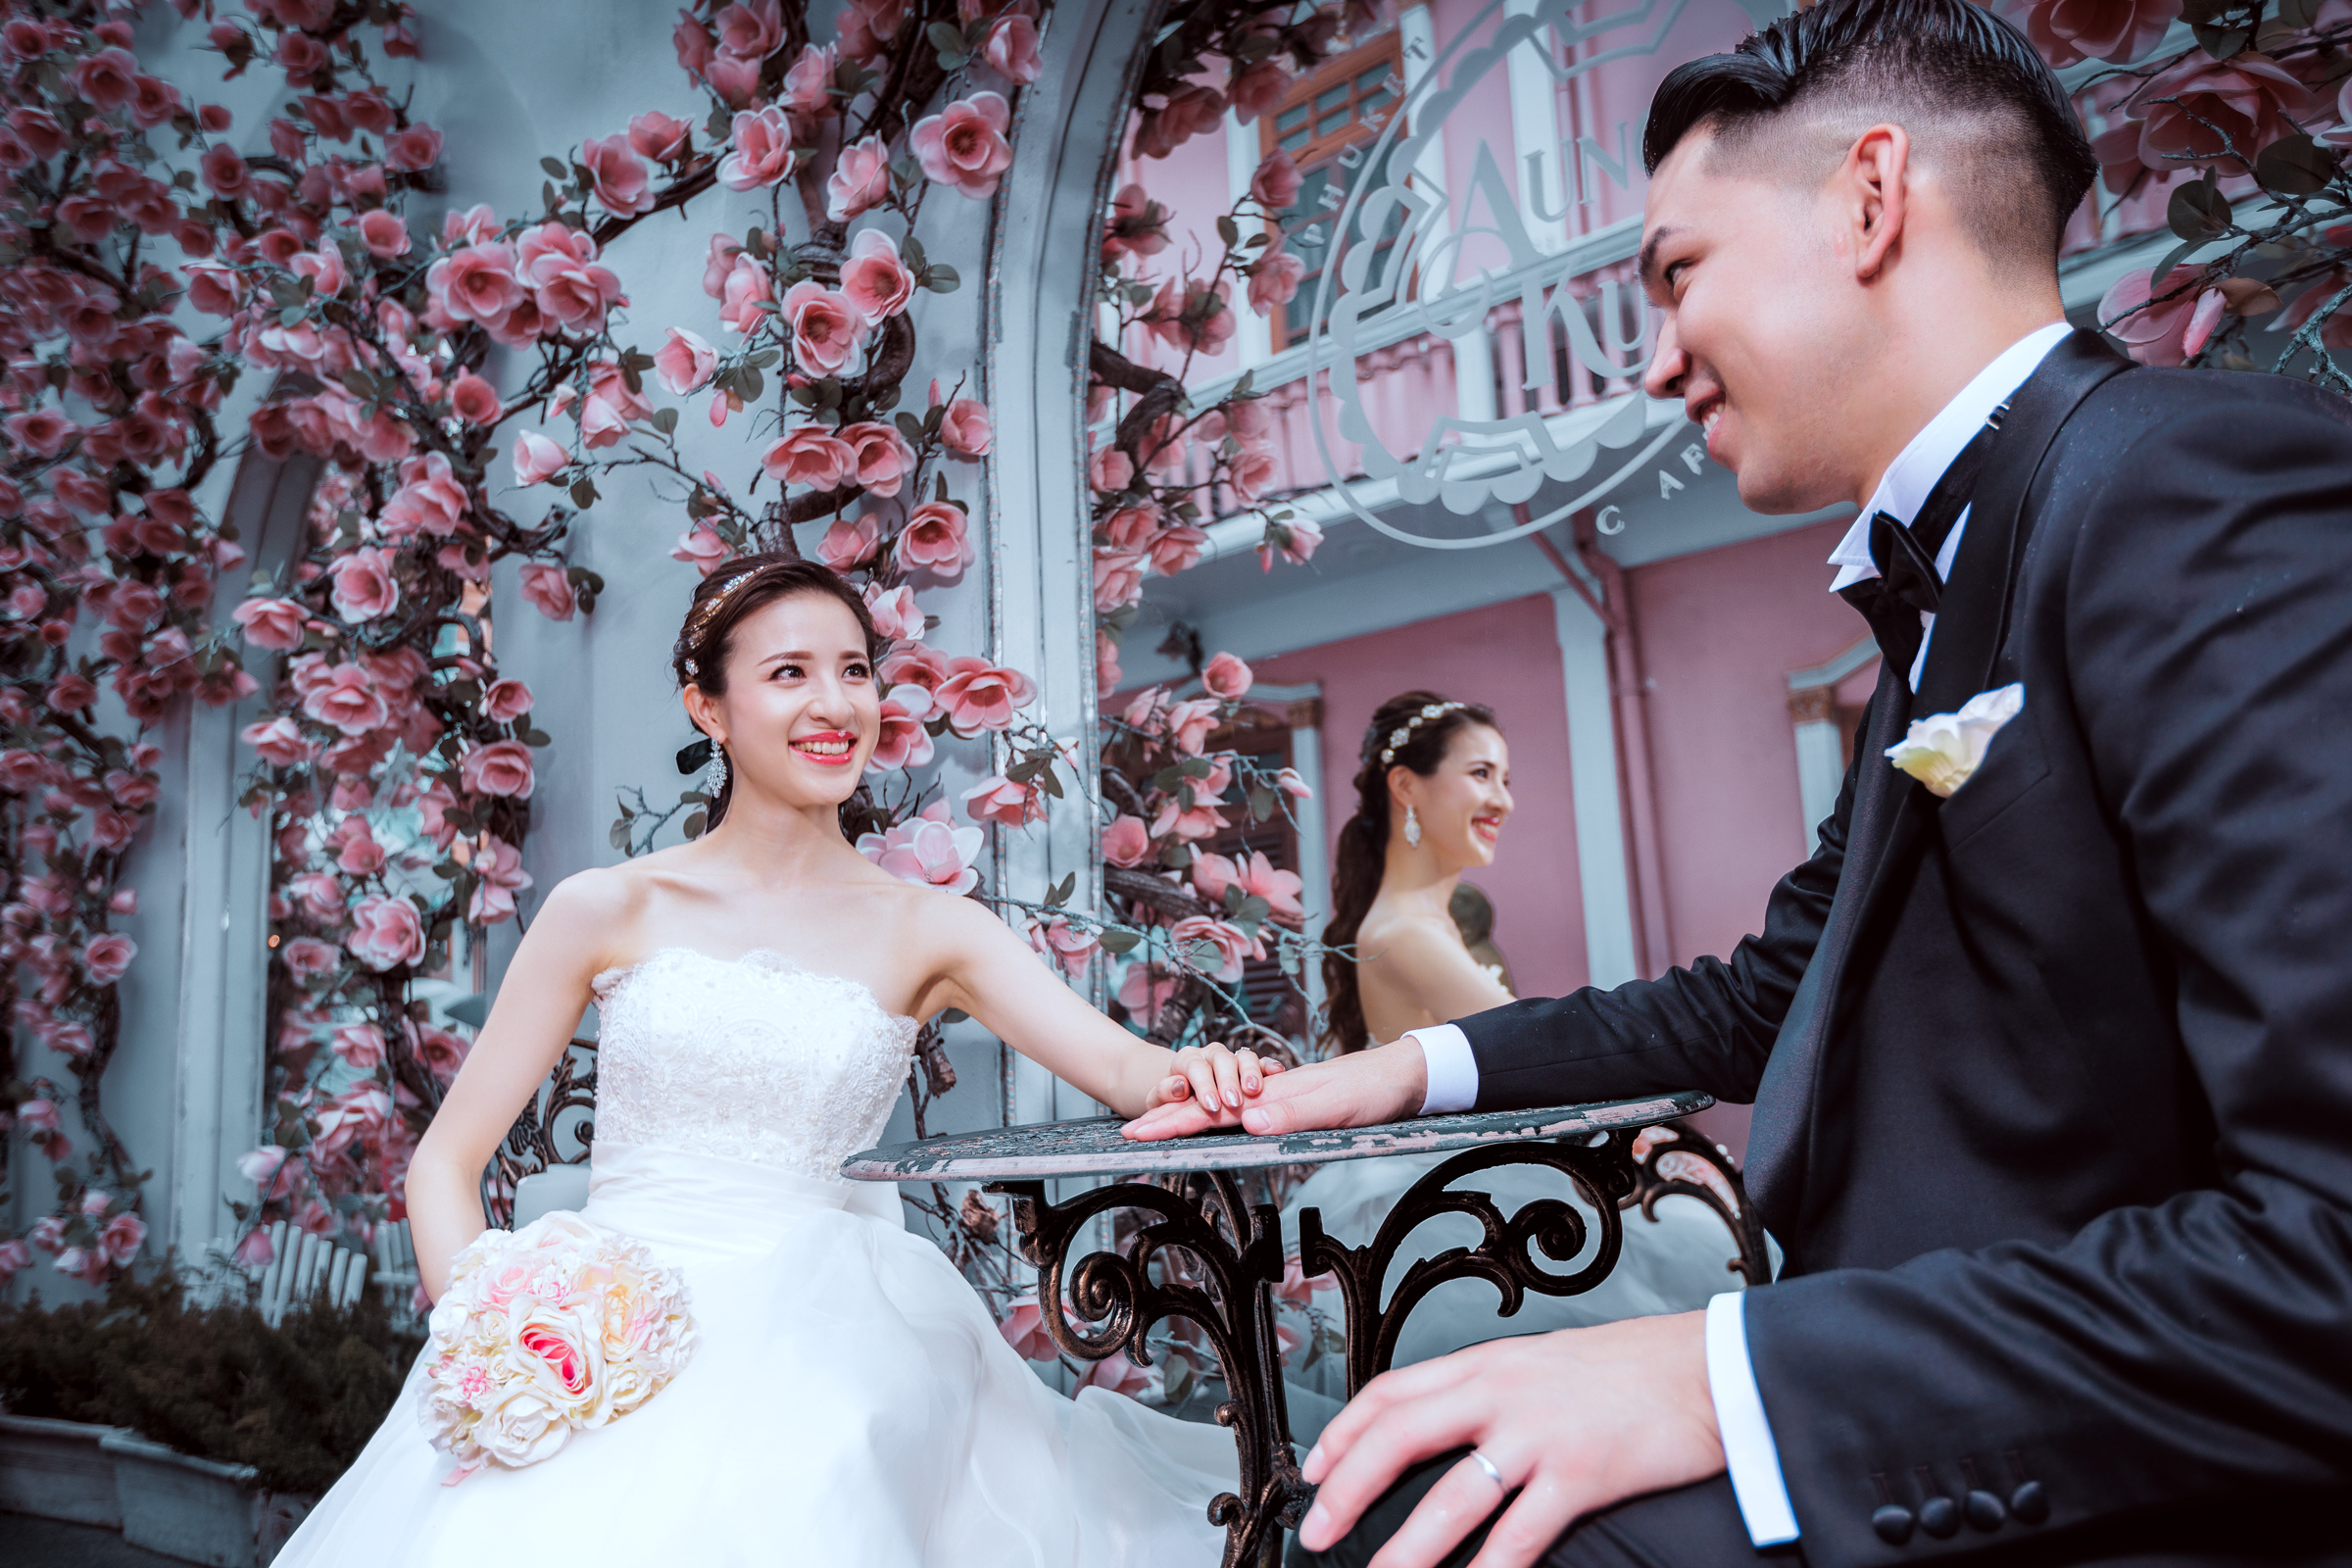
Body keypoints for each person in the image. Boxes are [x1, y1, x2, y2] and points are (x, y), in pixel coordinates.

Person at [1129, 1, 2352, 1562]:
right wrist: (1406, 1073)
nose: (1655, 364)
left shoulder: (2187, 490)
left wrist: (1732, 1380)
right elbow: (1769, 996)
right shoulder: (1957, 584)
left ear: (1869, 199)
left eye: (1678, 274)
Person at [277, 555, 1280, 1567]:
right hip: (596, 1341)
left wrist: (1204, 1071)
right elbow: (443, 1167)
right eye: (790, 672)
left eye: (855, 670)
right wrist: (498, 1344)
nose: (835, 704)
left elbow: (1129, 1070)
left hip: (821, 1341)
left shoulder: (932, 928)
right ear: (708, 708)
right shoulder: (607, 906)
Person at [1278, 692, 1743, 1418]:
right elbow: (1542, 1054)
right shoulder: (1407, 933)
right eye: (1481, 774)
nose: (1503, 799)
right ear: (1406, 787)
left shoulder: (1428, 924)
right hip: (1455, 1203)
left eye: (1506, 778)